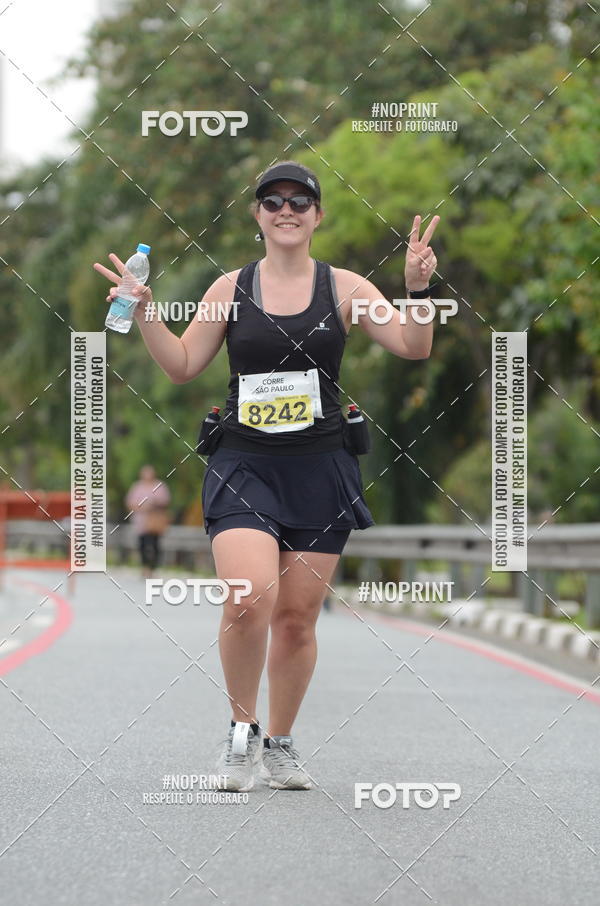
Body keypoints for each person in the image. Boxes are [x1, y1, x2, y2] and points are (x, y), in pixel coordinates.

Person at [94, 160, 439, 792]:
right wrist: (145, 313)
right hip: (243, 464)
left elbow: (414, 347)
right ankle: (241, 731)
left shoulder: (346, 287)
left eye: (299, 201)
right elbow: (182, 365)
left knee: (298, 618)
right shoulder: (230, 288)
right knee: (250, 596)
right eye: (273, 201)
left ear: (317, 216)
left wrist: (417, 291)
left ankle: (280, 742)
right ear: (257, 215)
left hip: (322, 468)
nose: (286, 210)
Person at [125, 465, 171, 579]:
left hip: (155, 521)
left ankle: (153, 568)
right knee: (142, 545)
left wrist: (153, 505)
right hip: (141, 522)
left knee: (155, 545)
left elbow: (165, 501)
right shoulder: (137, 486)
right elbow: (130, 503)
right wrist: (142, 507)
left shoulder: (159, 486)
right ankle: (145, 567)